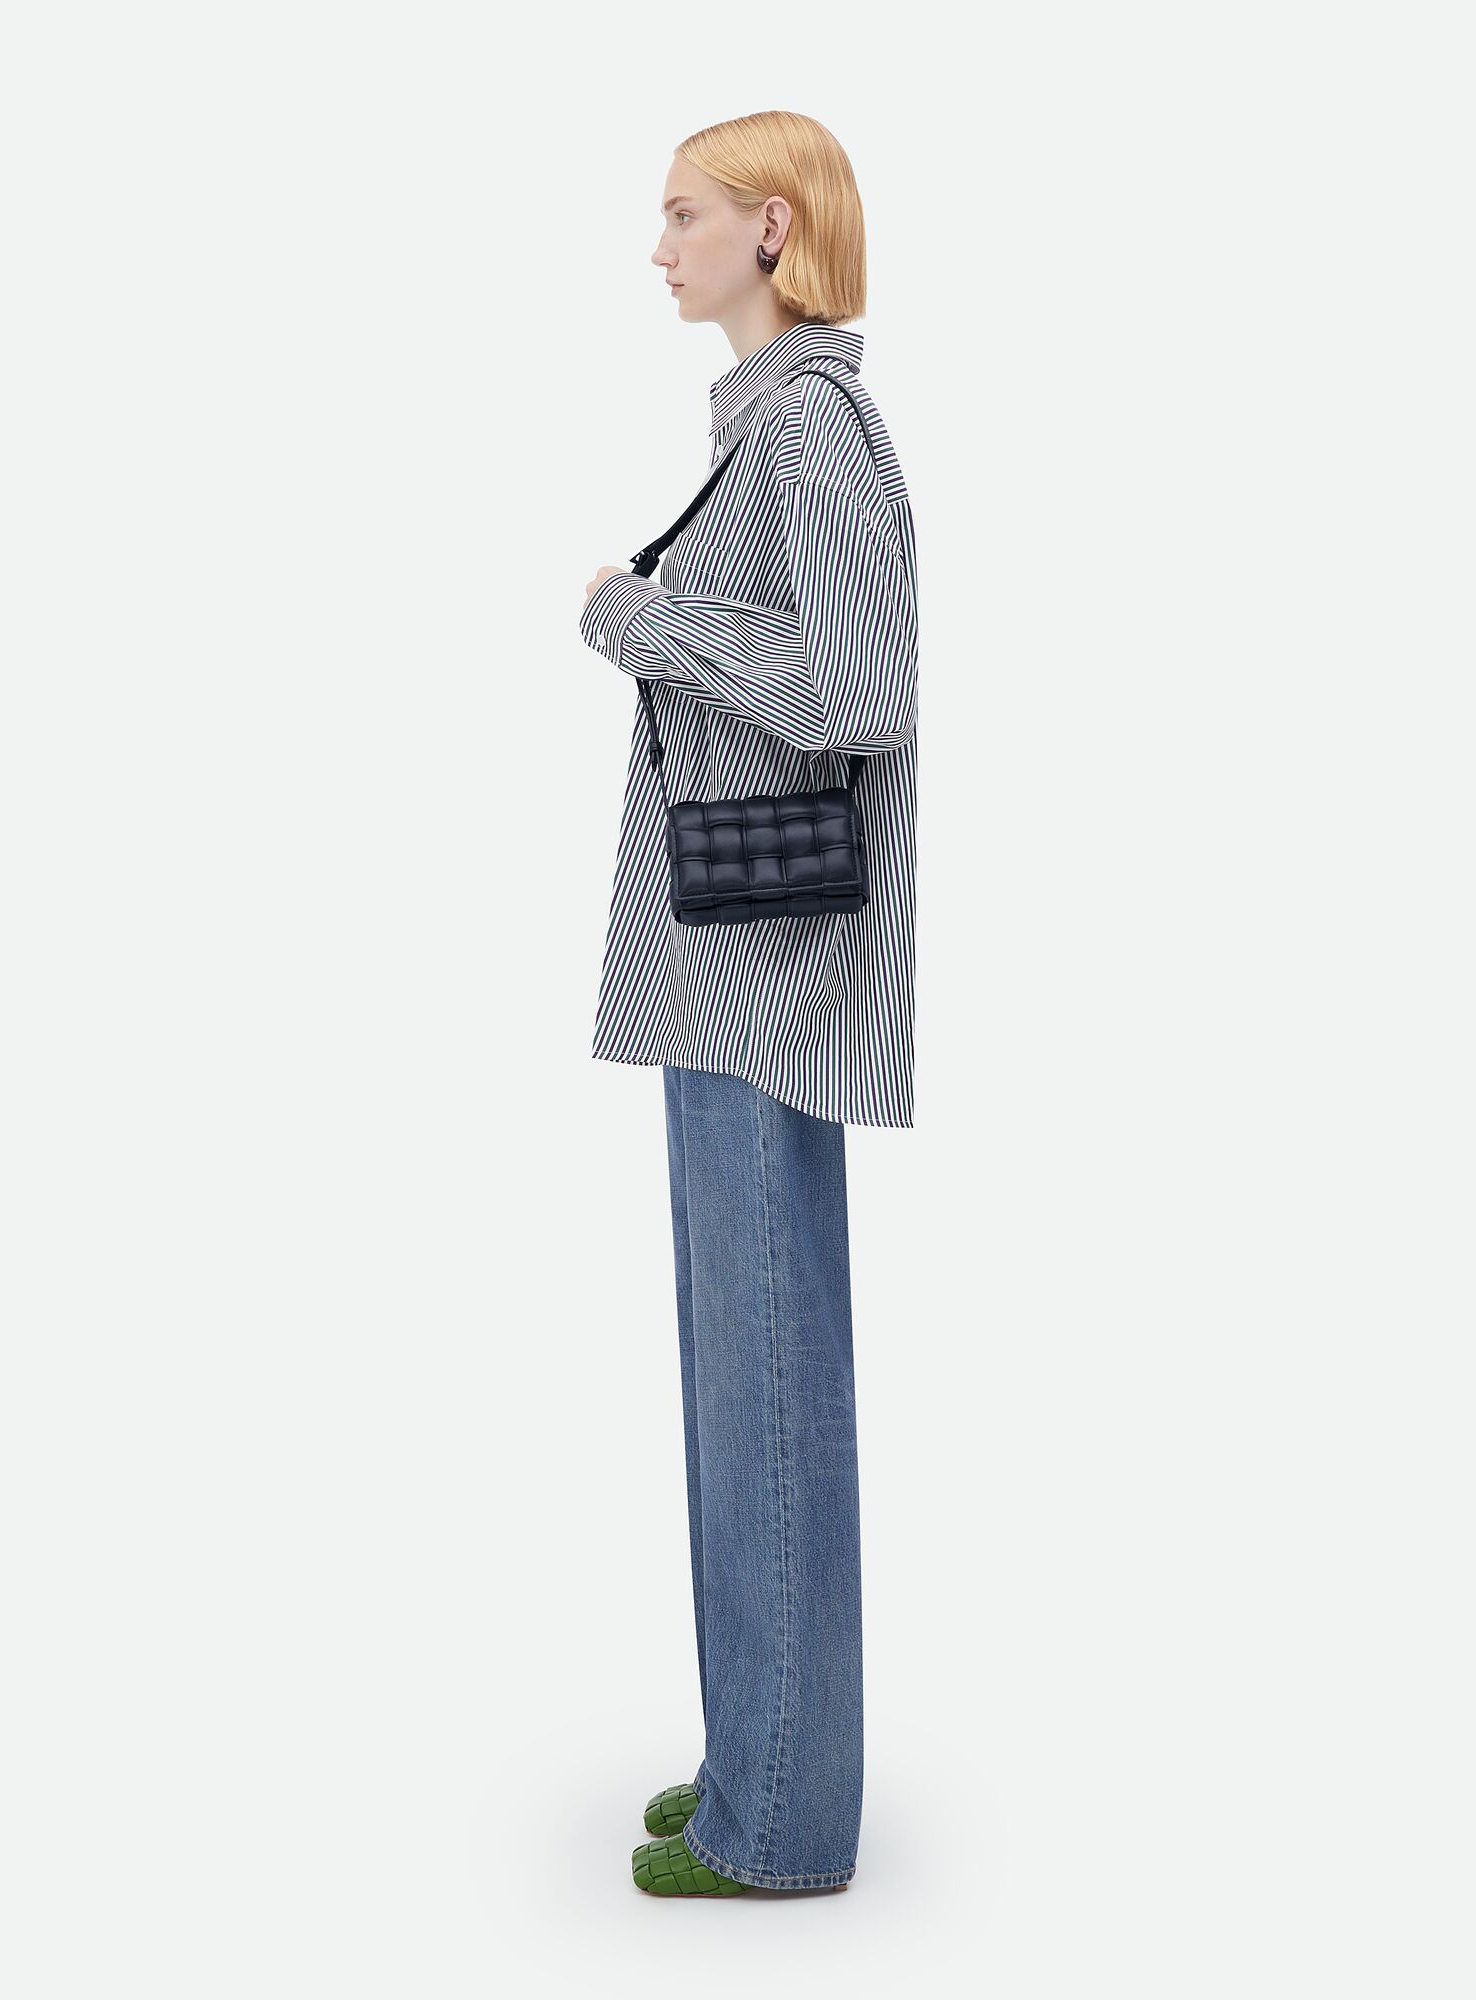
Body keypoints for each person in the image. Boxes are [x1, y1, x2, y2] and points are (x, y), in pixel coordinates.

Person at [579, 109, 919, 1899]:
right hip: (729, 961)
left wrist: (637, 620)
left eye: (683, 214)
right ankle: (753, 1766)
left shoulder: (804, 428)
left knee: (765, 1378)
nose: (659, 247)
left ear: (771, 228)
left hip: (760, 972)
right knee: (739, 1376)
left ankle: (778, 1823)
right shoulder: (764, 422)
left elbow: (862, 686)